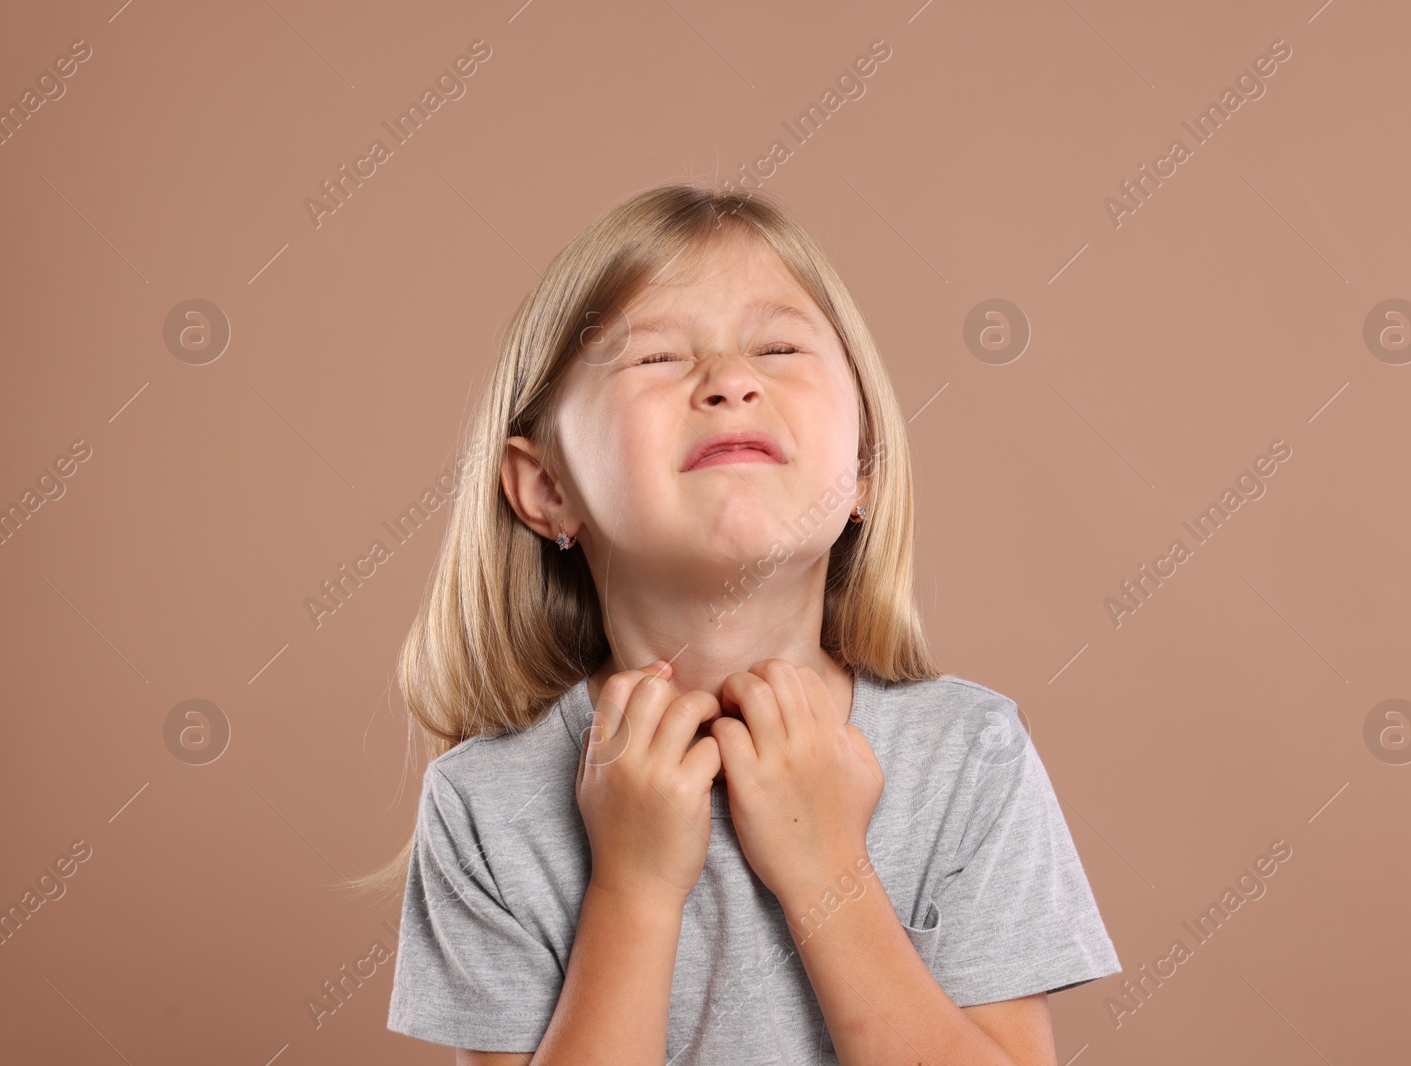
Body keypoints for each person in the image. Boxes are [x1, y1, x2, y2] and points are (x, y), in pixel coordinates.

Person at [369, 182, 1121, 1064]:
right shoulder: (485, 804)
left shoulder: (971, 755)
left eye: (777, 347)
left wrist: (827, 868)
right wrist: (634, 889)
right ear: (547, 488)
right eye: (653, 358)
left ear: (864, 468)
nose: (730, 381)